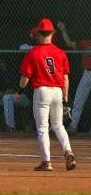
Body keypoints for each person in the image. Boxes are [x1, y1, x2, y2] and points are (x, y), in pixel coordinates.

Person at [22, 19, 75, 171]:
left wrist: (19, 92)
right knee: (58, 126)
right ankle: (68, 151)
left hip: (42, 92)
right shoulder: (60, 53)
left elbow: (25, 78)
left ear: (38, 34)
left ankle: (46, 162)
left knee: (43, 128)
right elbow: (65, 78)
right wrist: (65, 99)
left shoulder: (33, 53)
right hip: (58, 92)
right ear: (53, 33)